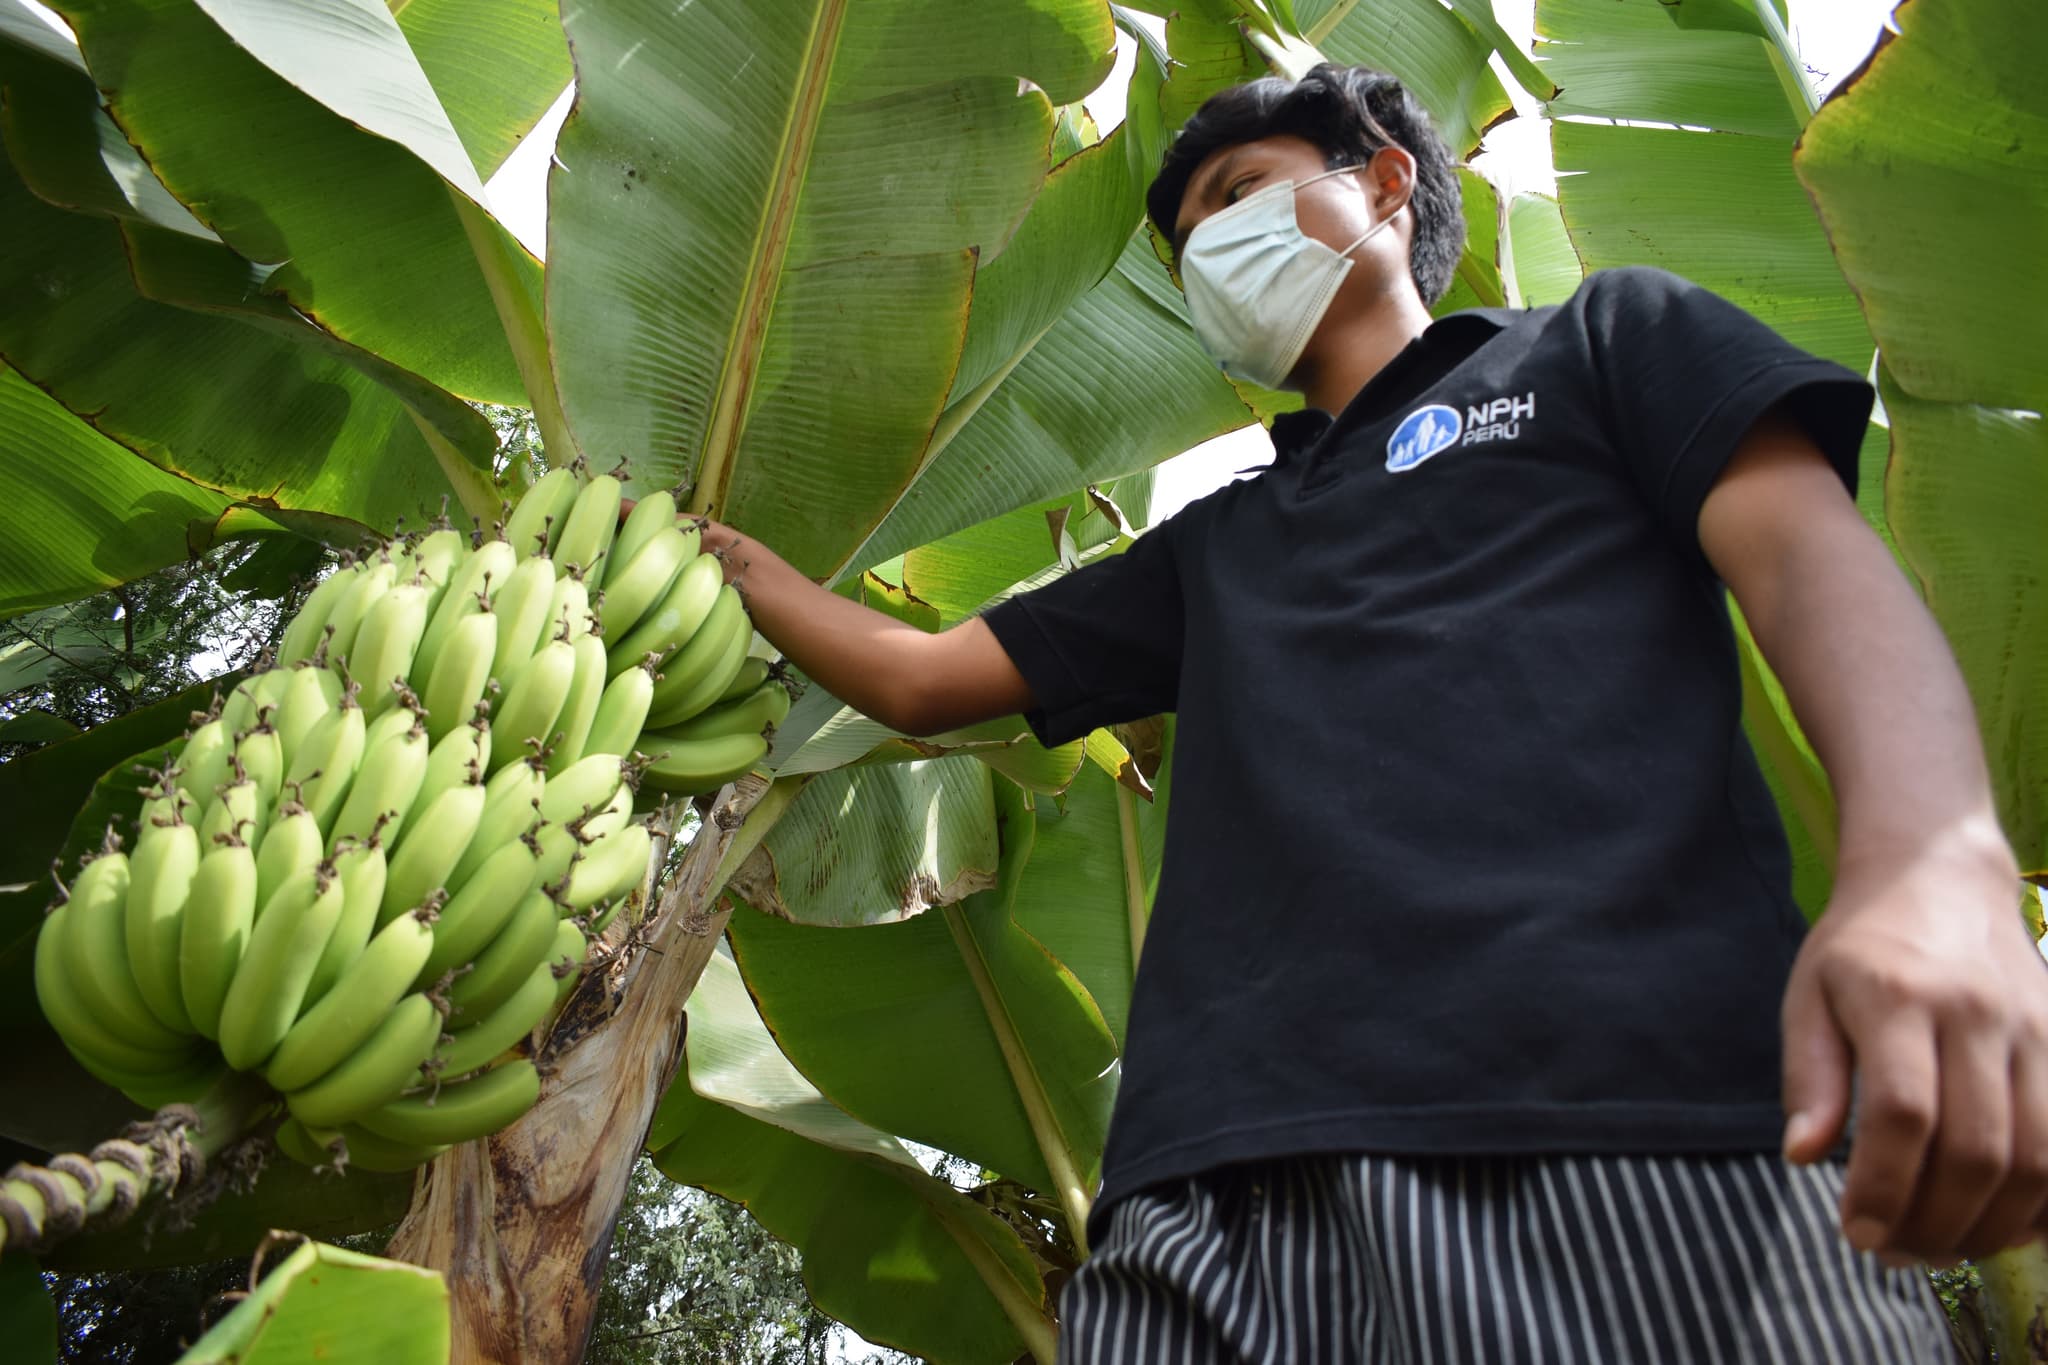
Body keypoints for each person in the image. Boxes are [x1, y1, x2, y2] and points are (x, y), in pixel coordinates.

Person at [691, 64, 2047, 1361]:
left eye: (1238, 188)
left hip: (1636, 1117)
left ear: (1387, 182)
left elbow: (1809, 560)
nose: (1209, 239)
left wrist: (1932, 865)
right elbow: (919, 678)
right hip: (1211, 1204)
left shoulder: (1599, 342)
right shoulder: (1215, 545)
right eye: (1186, 239)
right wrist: (718, 555)